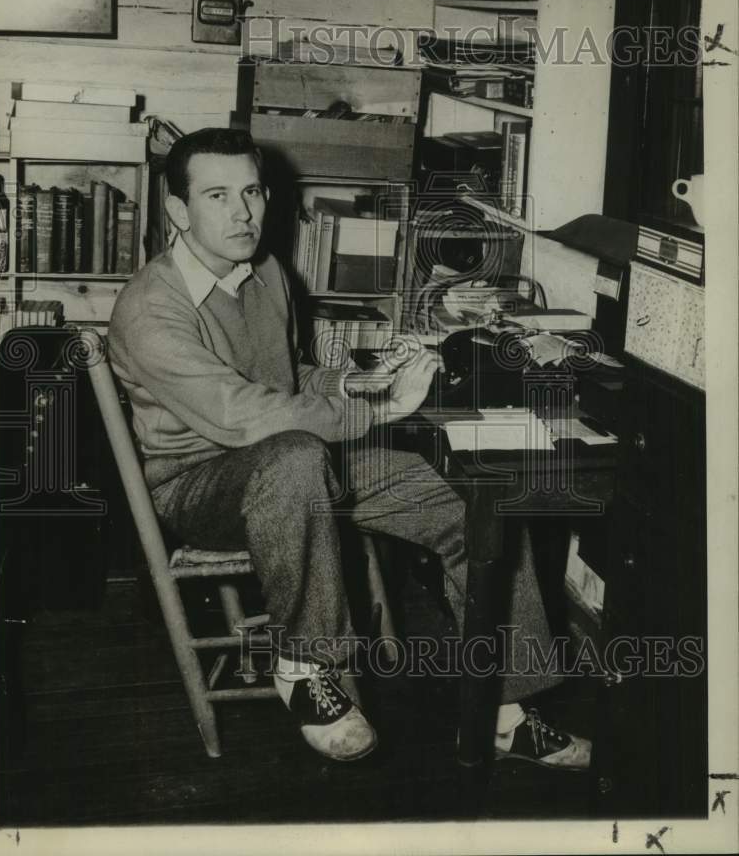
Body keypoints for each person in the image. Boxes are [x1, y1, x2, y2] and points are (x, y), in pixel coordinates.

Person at [109, 127, 590, 769]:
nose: (242, 212)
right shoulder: (150, 307)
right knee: (295, 457)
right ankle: (305, 664)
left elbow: (291, 376)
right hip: (198, 484)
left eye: (251, 191)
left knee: (476, 496)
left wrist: (365, 379)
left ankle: (506, 709)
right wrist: (375, 409)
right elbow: (240, 416)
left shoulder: (266, 272)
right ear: (177, 210)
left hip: (296, 463)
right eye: (217, 195)